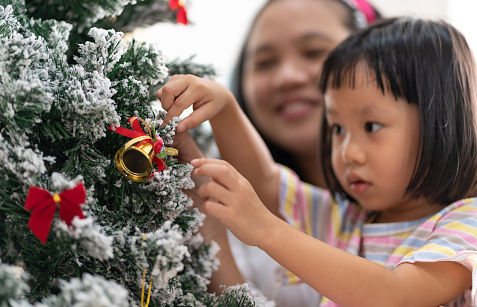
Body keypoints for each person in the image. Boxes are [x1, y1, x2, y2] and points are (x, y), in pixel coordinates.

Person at [158, 17, 477, 306]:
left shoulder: (465, 221)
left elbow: (395, 295)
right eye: (338, 128)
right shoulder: (347, 219)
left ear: (439, 122)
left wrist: (268, 231)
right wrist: (225, 108)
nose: (348, 152)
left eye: (372, 126)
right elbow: (267, 184)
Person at [226, 0, 381, 305]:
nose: (288, 77)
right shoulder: (231, 220)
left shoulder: (449, 215)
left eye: (313, 52)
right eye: (265, 62)